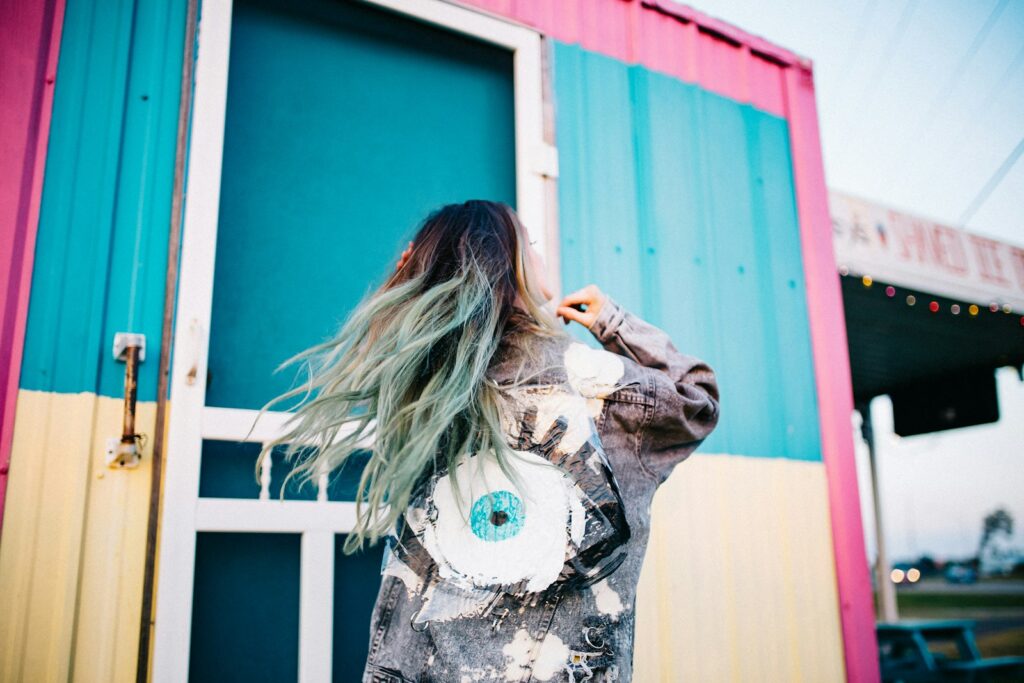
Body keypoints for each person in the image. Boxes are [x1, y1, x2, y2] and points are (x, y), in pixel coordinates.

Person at [255, 200, 720, 682]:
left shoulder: (423, 389)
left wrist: (416, 280)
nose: (539, 256)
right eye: (531, 245)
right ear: (513, 264)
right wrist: (611, 320)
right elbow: (698, 400)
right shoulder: (592, 384)